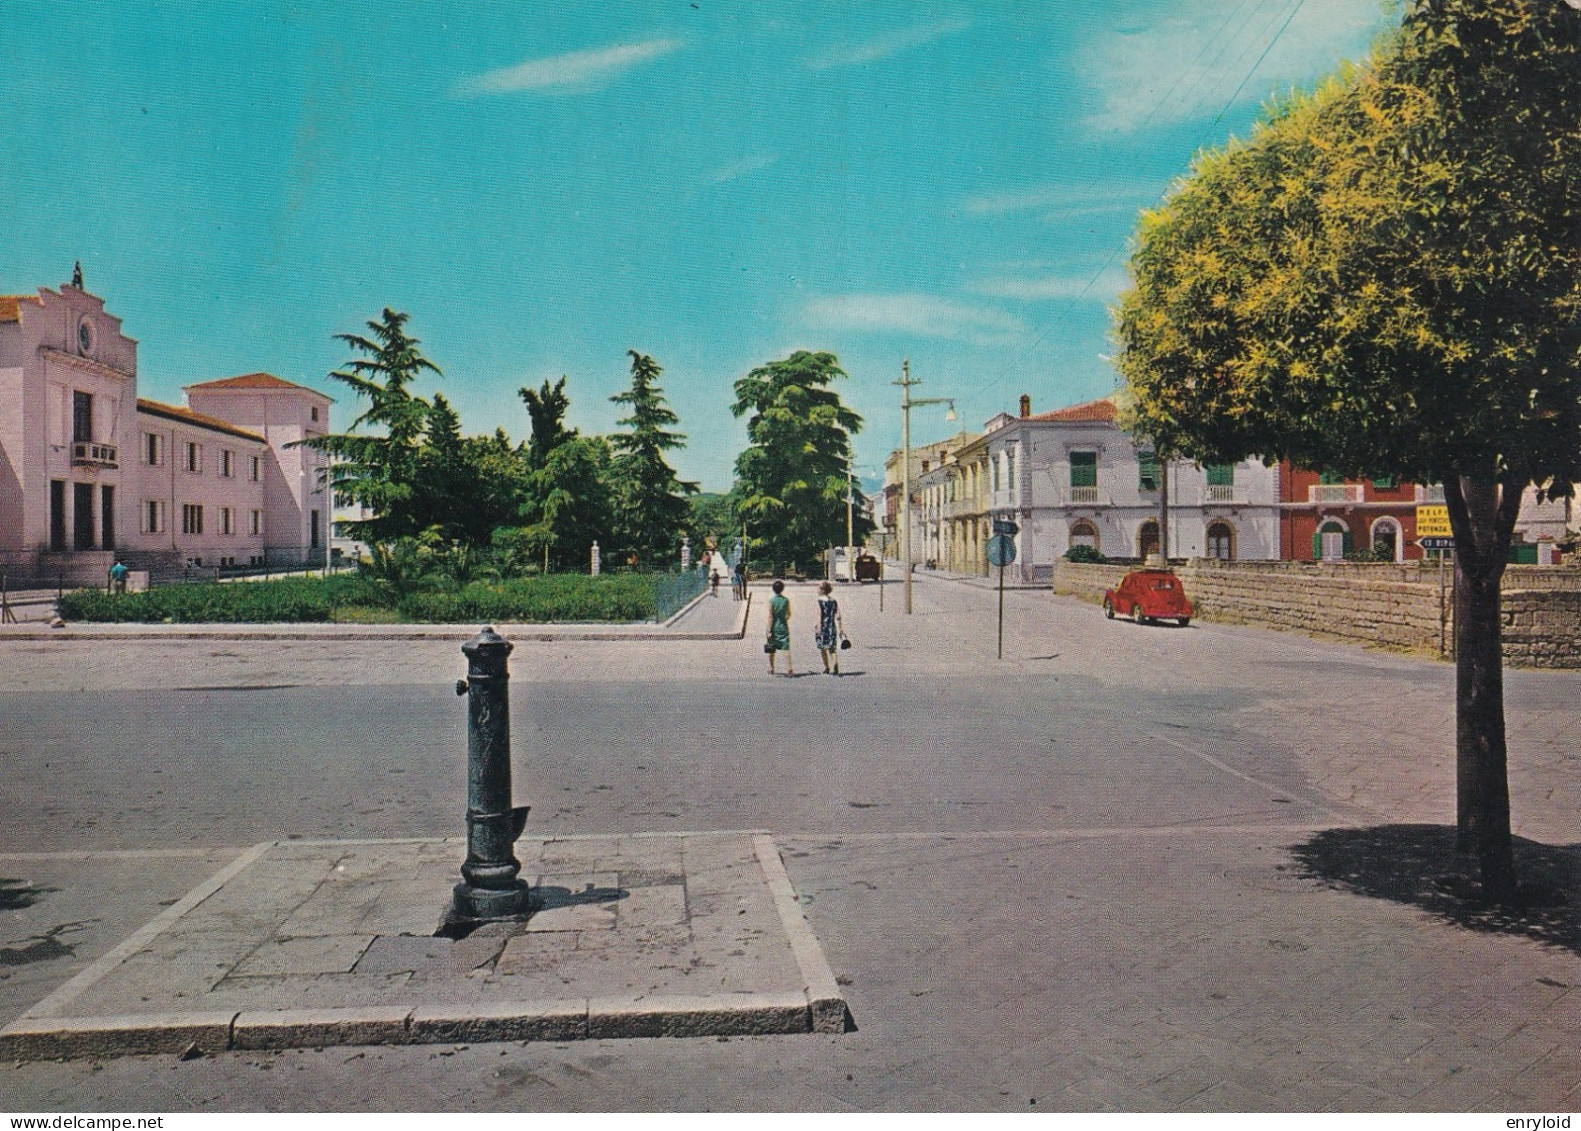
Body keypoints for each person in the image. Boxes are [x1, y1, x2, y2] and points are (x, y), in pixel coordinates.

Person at [814, 580, 846, 675]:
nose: (817, 589)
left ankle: (826, 667)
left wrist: (818, 627)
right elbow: (838, 616)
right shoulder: (833, 601)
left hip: (823, 627)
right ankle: (835, 664)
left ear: (822, 590)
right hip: (832, 627)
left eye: (818, 588)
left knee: (822, 648)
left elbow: (819, 615)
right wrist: (840, 629)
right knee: (832, 648)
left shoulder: (819, 601)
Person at [766, 579, 792, 676]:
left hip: (774, 626)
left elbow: (770, 616)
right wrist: (784, 619)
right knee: (786, 648)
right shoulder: (786, 600)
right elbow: (789, 614)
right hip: (783, 626)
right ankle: (789, 668)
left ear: (773, 589)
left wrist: (768, 629)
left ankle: (771, 668)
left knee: (771, 648)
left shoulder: (772, 601)